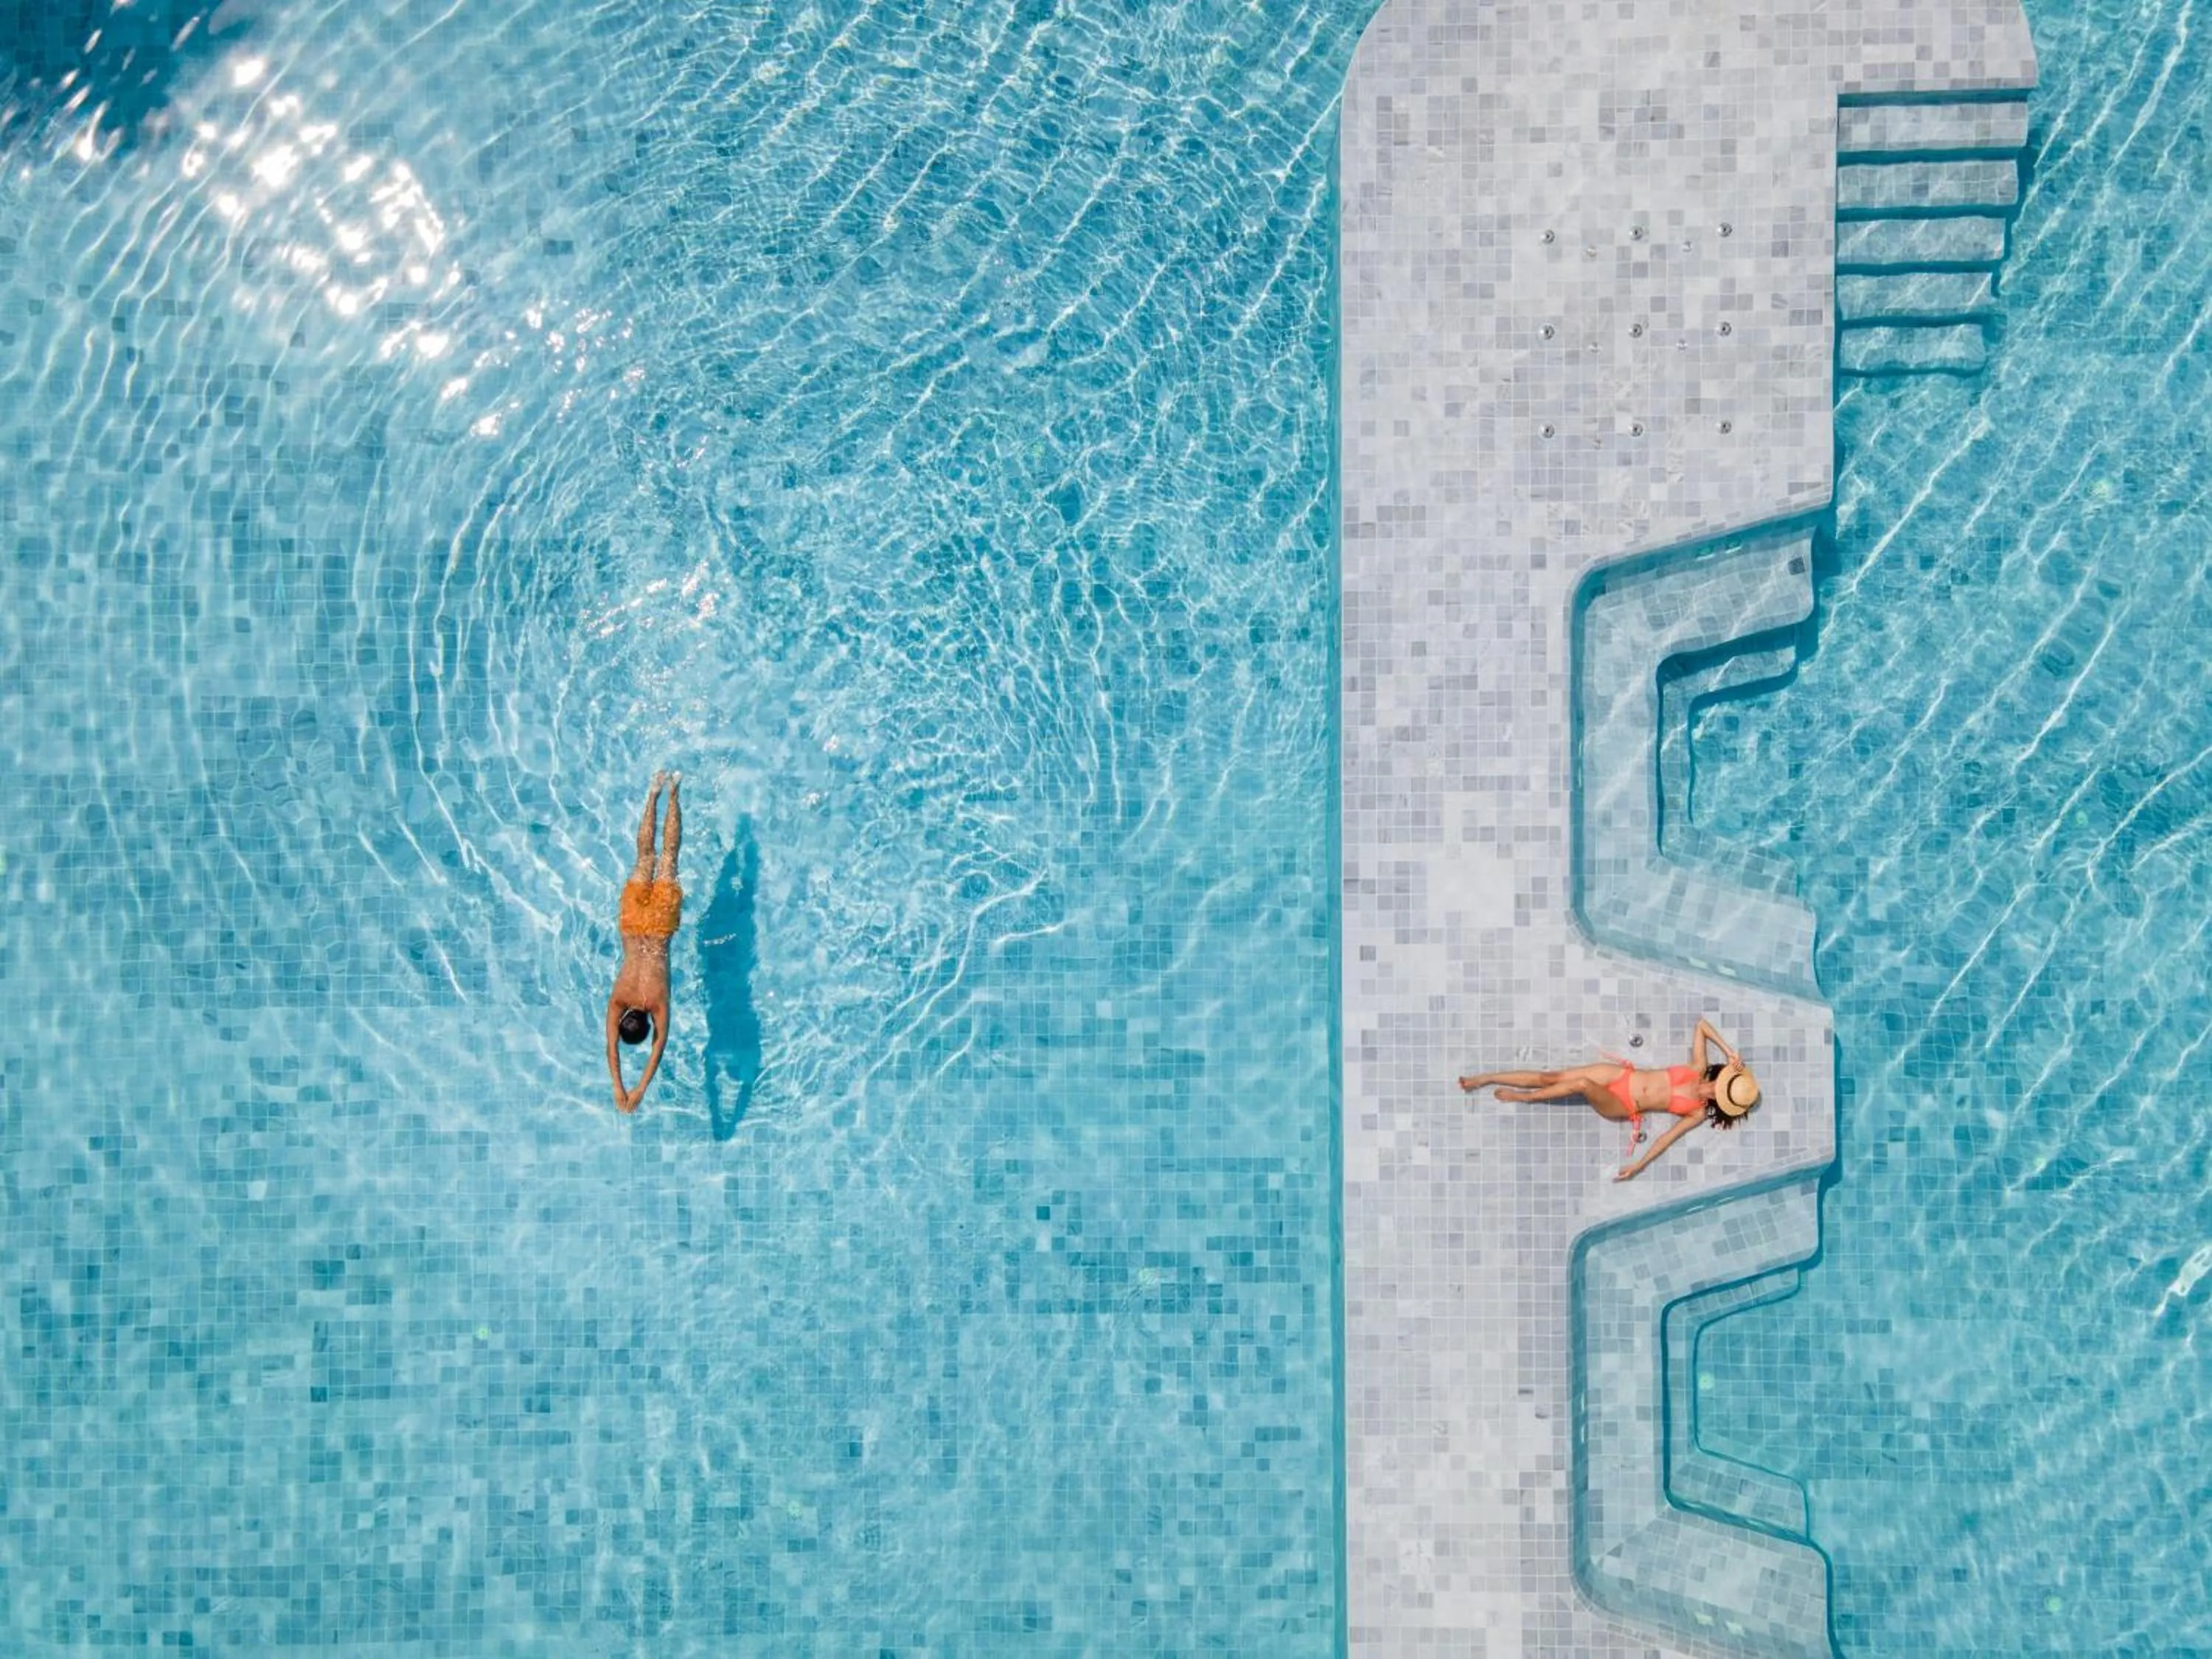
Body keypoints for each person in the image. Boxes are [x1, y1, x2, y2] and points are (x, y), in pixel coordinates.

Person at [1458, 1017, 1761, 1180]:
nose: (1713, 1091)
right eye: (1720, 1084)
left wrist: (1639, 1165)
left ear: (1722, 1103)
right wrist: (1729, 1051)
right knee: (1553, 1076)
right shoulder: (1698, 1068)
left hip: (1622, 1105)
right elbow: (1702, 1025)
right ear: (1722, 1078)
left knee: (1581, 1084)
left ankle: (1525, 1099)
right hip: (1621, 1077)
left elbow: (1666, 1139)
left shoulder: (1696, 1113)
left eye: (1719, 1096)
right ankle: (1486, 1077)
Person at [606, 771, 681, 1113]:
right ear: (624, 1020)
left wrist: (640, 1089)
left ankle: (675, 792)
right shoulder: (618, 1000)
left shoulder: (658, 1003)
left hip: (662, 925)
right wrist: (619, 1086)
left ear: (648, 1020)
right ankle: (653, 794)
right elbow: (611, 1049)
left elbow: (658, 1048)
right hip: (634, 922)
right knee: (645, 856)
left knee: (668, 857)